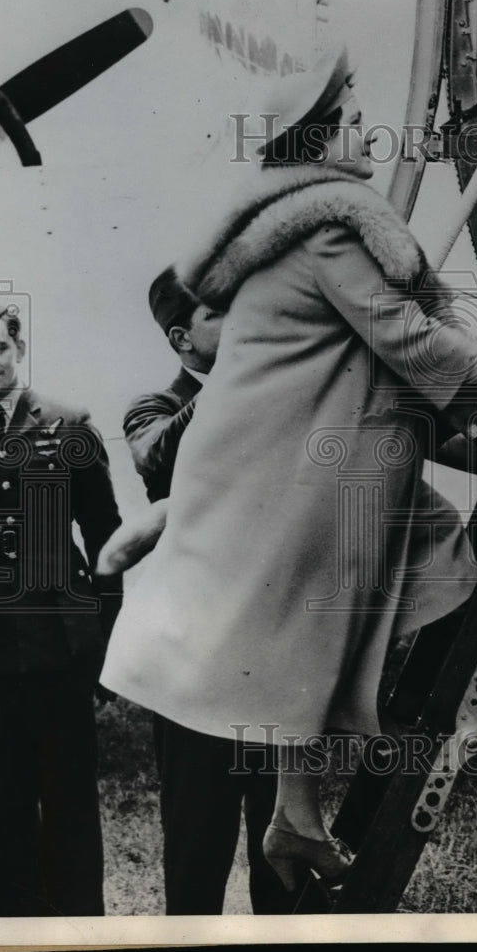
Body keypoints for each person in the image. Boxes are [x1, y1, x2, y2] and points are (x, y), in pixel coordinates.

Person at [100, 46, 477, 893]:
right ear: (322, 139)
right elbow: (405, 339)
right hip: (284, 474)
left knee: (307, 621)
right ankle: (384, 752)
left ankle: (294, 813)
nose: (367, 127)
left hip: (273, 467)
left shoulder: (290, 233)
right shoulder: (333, 228)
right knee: (362, 585)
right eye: (351, 115)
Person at [122, 273, 291, 914]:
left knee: (283, 845)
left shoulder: (277, 399)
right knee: (197, 849)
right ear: (180, 339)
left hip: (272, 652)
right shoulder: (151, 410)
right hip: (192, 668)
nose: (243, 324)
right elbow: (160, 457)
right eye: (221, 316)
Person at [0, 294, 123, 916]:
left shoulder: (69, 426)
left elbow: (108, 540)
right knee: (1, 814)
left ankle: (82, 931)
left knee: (69, 811)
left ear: (20, 349)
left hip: (61, 655)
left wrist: (106, 648)